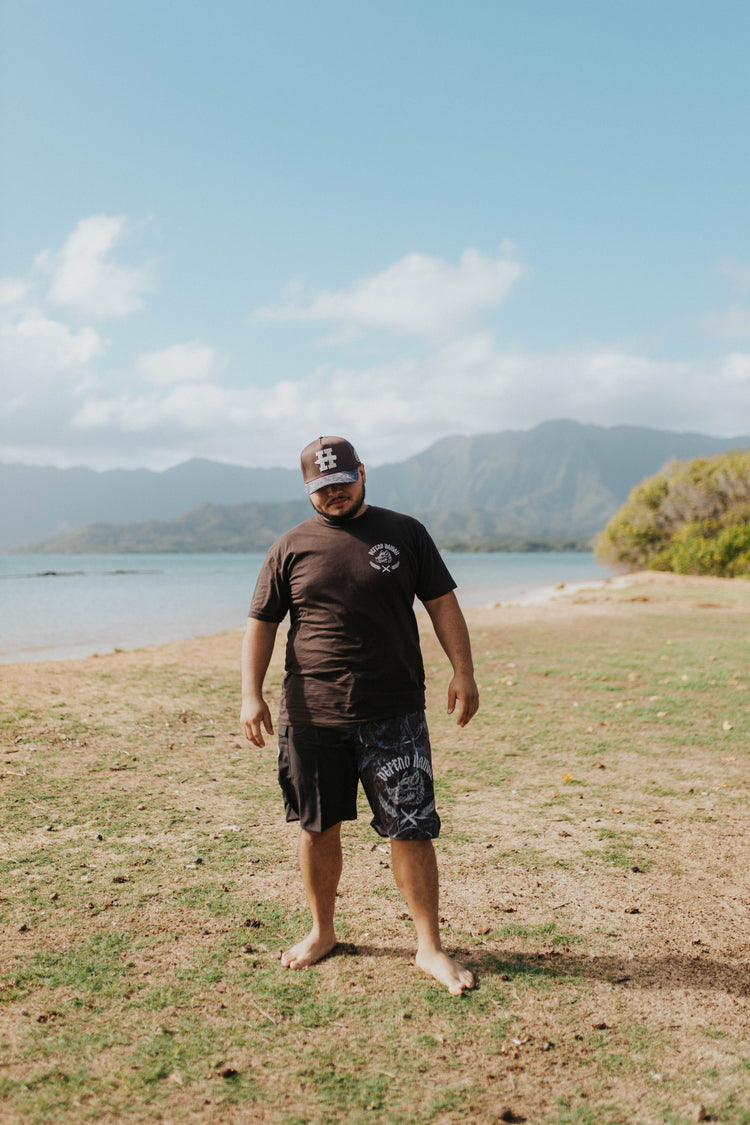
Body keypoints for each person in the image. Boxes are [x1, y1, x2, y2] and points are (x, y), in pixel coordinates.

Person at [240, 435, 479, 994]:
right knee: (317, 827)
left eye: (343, 482)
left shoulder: (405, 532)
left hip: (394, 711)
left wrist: (463, 671)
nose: (335, 494)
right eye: (323, 488)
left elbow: (442, 603)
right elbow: (262, 624)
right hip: (311, 713)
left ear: (362, 473)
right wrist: (251, 694)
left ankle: (429, 946)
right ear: (308, 489)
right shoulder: (289, 547)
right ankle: (322, 931)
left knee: (411, 828)